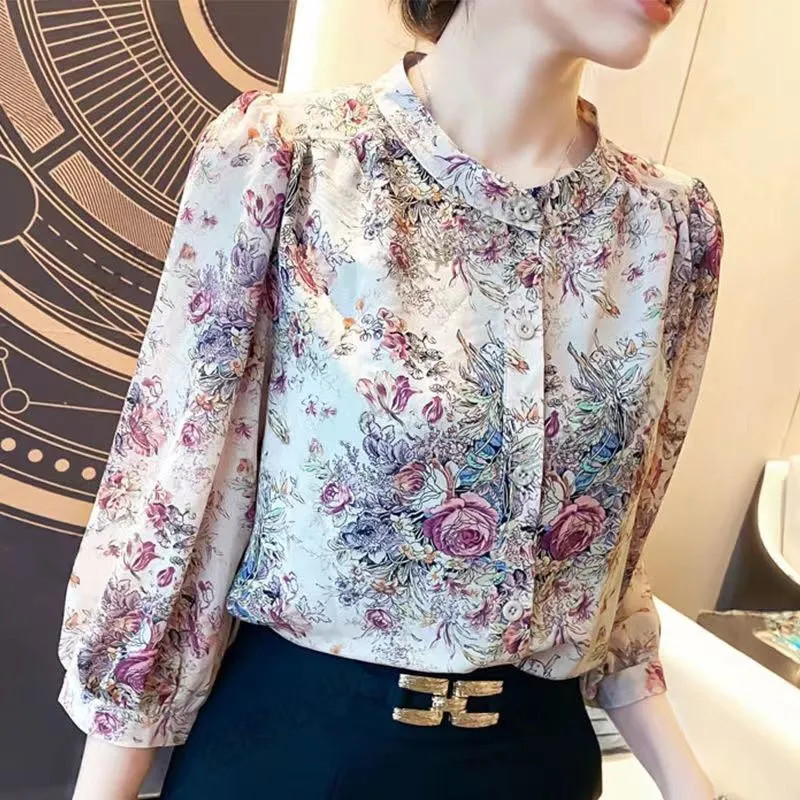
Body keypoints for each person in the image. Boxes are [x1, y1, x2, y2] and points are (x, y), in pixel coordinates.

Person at [59, 1, 727, 798]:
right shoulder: (294, 161)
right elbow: (176, 511)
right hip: (293, 760)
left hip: (536, 766)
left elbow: (613, 565)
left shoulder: (667, 226)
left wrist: (690, 783)